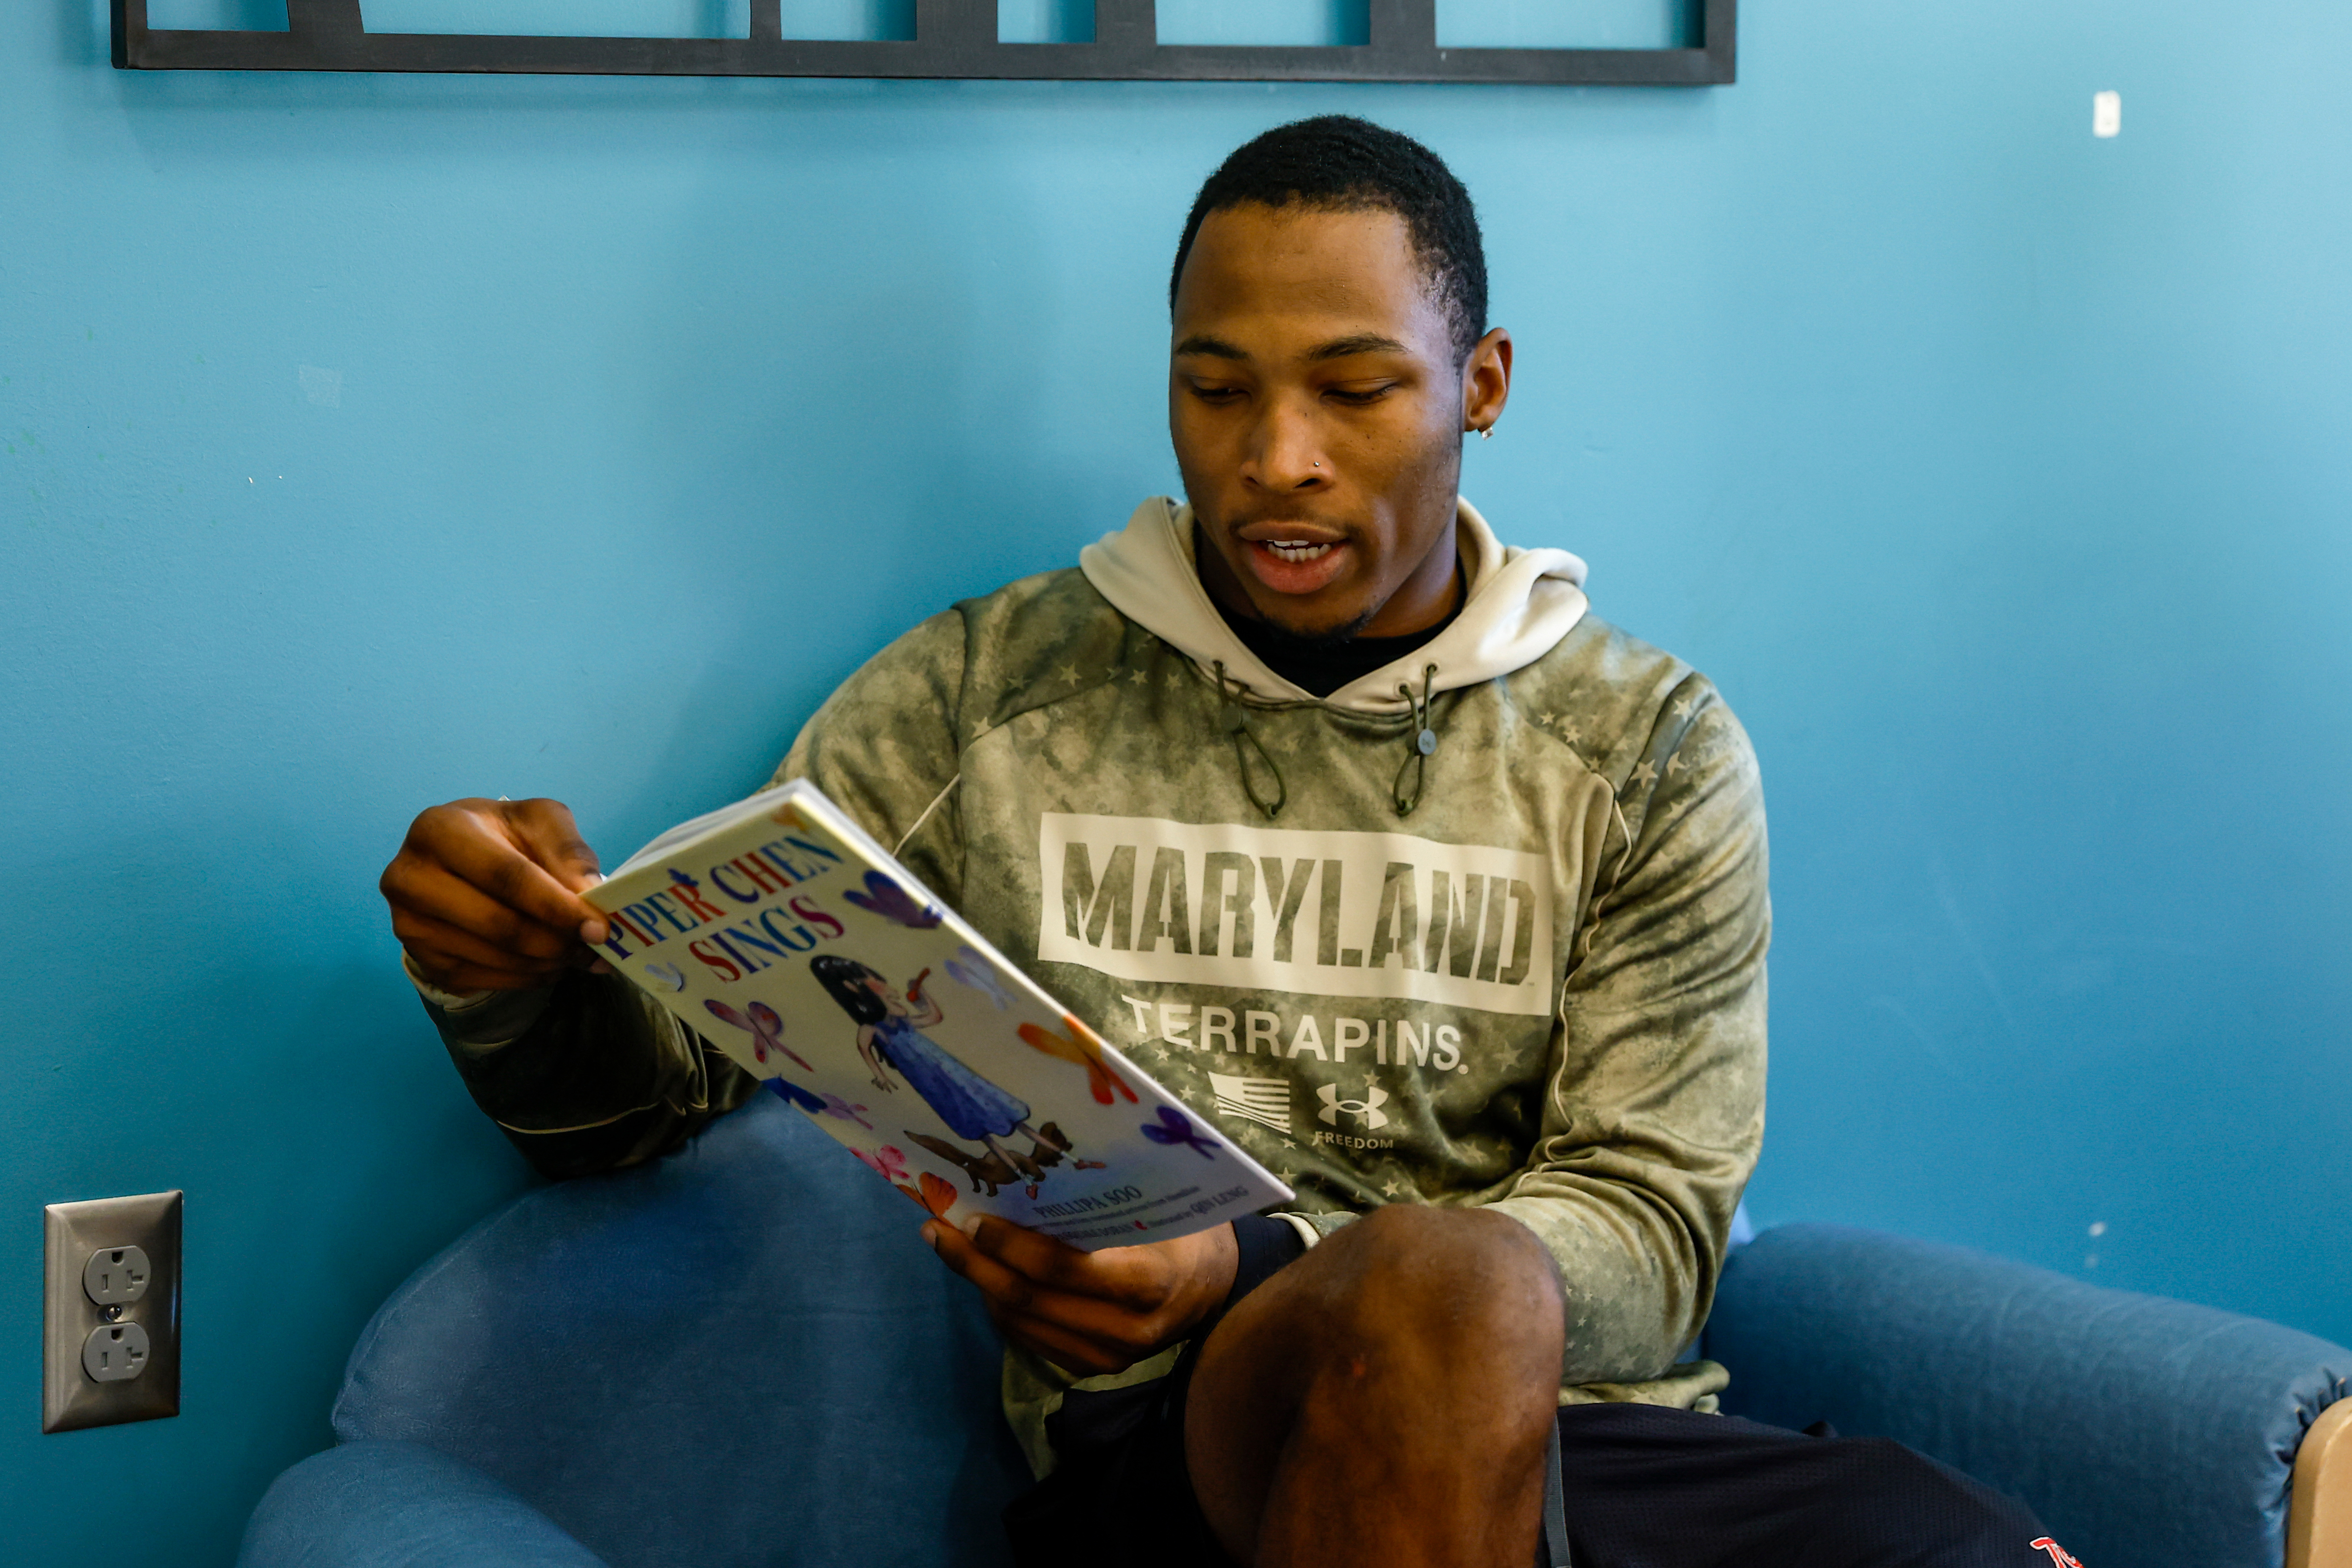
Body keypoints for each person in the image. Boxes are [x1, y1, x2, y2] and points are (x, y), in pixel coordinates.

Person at [380, 117, 2065, 1567]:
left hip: (1579, 1453)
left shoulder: (1641, 747)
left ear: (1477, 386)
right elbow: (647, 1089)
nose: (1276, 462)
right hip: (1167, 1462)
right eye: (1214, 388)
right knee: (1452, 1290)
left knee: (1942, 1532)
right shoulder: (985, 701)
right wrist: (513, 971)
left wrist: (1257, 1250)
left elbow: (1653, 1238)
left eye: (1354, 389)